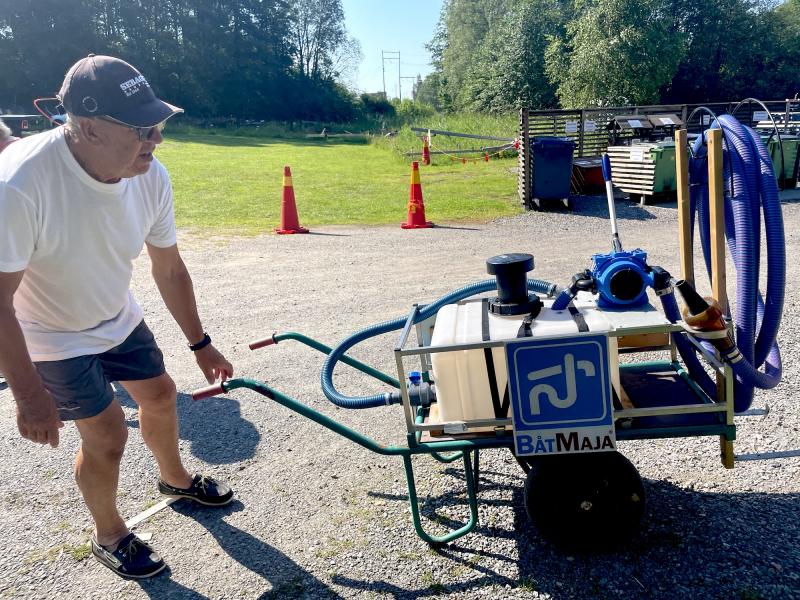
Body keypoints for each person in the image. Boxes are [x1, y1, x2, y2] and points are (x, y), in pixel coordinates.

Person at [0, 55, 234, 579]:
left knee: (160, 395)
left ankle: (174, 479)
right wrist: (30, 396)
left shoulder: (150, 176)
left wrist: (202, 343)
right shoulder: (19, 185)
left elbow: (169, 268)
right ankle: (110, 534)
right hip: (52, 333)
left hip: (115, 314)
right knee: (107, 433)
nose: (156, 139)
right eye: (141, 129)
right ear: (85, 129)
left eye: (159, 125)